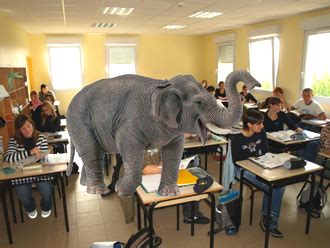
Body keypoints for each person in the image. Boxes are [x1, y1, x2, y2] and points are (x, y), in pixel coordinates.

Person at [231, 109, 284, 238]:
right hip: (242, 169)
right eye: (259, 123)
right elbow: (236, 161)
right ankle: (269, 222)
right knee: (271, 186)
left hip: (259, 165)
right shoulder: (237, 138)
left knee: (279, 185)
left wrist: (272, 161)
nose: (262, 126)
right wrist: (255, 163)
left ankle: (269, 217)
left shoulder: (261, 133)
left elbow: (266, 152)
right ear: (249, 124)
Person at [142, 149, 210, 224]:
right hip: (143, 179)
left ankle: (191, 215)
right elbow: (145, 169)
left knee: (191, 186)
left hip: (160, 174)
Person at [3, 114, 52, 219]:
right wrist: (28, 152)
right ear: (19, 130)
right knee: (22, 194)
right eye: (23, 128)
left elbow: (44, 157)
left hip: (39, 171)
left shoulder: (41, 137)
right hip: (22, 173)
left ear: (32, 125)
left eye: (29, 126)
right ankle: (30, 207)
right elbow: (8, 158)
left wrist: (42, 157)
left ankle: (46, 206)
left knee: (46, 189)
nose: (27, 130)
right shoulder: (14, 140)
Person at [264, 96, 319, 162]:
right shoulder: (264, 116)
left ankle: (303, 160)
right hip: (269, 140)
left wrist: (297, 128)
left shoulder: (281, 114)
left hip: (281, 139)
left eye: (280, 105)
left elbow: (290, 124)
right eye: (277, 105)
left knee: (305, 143)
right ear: (271, 105)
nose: (279, 108)